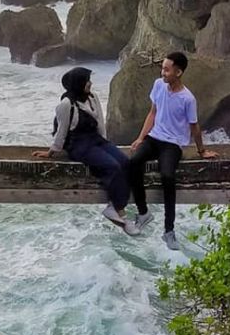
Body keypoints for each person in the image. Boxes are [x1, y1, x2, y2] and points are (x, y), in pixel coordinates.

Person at [128, 51, 217, 250]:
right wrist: (141, 138)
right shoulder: (159, 85)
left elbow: (194, 127)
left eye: (167, 70)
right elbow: (152, 113)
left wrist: (201, 151)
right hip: (154, 138)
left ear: (178, 72)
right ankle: (143, 213)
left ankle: (169, 230)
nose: (163, 73)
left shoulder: (188, 99)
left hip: (173, 144)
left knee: (167, 175)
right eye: (162, 69)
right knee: (133, 162)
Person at [33, 67, 135, 234]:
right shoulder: (66, 105)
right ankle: (118, 210)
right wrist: (52, 151)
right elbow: (62, 131)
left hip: (96, 140)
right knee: (112, 166)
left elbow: (100, 122)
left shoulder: (92, 98)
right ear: (78, 83)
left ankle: (114, 205)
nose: (90, 83)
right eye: (87, 80)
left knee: (124, 162)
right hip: (79, 145)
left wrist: (106, 145)